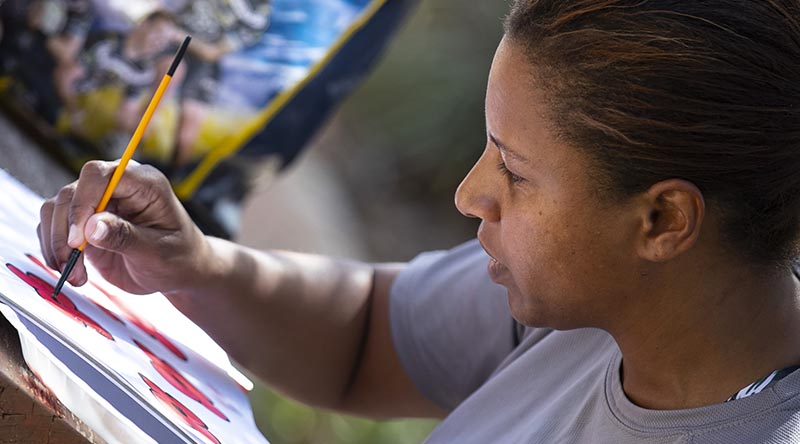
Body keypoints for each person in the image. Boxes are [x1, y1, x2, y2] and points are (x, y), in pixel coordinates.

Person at [37, 0, 800, 442]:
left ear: (663, 220)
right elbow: (369, 335)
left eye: (515, 169)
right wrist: (197, 267)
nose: (472, 193)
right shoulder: (594, 301)